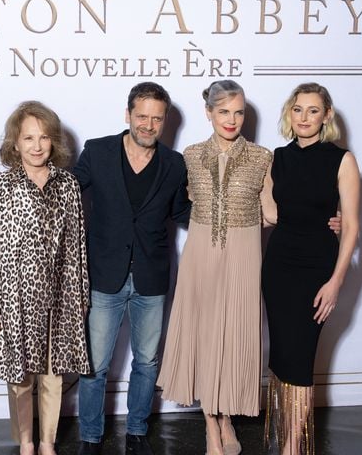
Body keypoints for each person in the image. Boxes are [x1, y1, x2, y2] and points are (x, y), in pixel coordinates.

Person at [74, 82, 191, 455]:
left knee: (146, 361)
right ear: (128, 115)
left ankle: (137, 431)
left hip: (152, 277)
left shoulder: (174, 163)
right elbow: (66, 195)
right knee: (95, 365)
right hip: (104, 275)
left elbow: (184, 213)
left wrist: (240, 211)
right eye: (142, 116)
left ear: (165, 121)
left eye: (156, 118)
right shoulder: (97, 150)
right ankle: (90, 437)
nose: (148, 124)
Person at [157, 80, 272, 455]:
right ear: (208, 113)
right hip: (201, 253)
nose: (231, 119)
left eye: (238, 112)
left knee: (235, 336)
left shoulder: (262, 157)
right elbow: (176, 201)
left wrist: (324, 218)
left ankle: (227, 418)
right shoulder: (188, 155)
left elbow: (271, 212)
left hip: (243, 254)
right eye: (223, 111)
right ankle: (211, 424)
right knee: (205, 337)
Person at [0, 101, 91, 455]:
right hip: (14, 298)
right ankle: (25, 442)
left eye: (44, 137)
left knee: (53, 376)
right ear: (15, 143)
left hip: (61, 295)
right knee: (20, 378)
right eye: (28, 137)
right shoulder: (0, 187)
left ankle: (47, 442)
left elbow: (77, 247)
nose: (37, 145)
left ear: (53, 141)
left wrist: (81, 298)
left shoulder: (69, 185)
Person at [261, 82, 360, 455]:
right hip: (278, 267)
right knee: (283, 355)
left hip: (317, 269)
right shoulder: (277, 157)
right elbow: (269, 213)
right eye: (298, 109)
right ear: (290, 114)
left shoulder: (342, 160)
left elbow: (351, 226)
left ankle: (291, 447)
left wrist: (335, 282)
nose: (304, 117)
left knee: (301, 358)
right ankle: (287, 438)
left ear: (327, 115)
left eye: (313, 110)